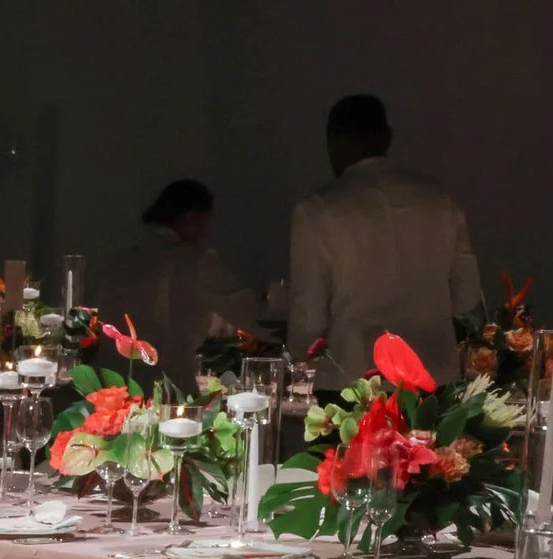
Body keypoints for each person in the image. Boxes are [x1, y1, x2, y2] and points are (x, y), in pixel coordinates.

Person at [287, 94, 481, 390]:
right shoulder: (439, 200)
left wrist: (298, 355)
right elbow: (466, 298)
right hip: (433, 376)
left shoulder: (318, 210)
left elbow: (308, 320)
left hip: (352, 380)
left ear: (333, 140)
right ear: (387, 137)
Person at [93, 179, 262, 385]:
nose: (206, 233)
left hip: (109, 387)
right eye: (205, 222)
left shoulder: (122, 260)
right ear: (192, 217)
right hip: (167, 387)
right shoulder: (197, 261)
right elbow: (250, 314)